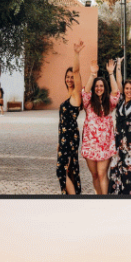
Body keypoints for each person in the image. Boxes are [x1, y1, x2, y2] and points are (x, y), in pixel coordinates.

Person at [80, 58, 120, 194]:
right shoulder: (88, 103)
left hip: (105, 146)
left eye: (101, 86)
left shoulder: (110, 103)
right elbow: (85, 92)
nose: (98, 88)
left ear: (105, 87)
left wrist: (110, 73)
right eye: (96, 86)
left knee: (102, 174)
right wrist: (92, 74)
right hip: (90, 145)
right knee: (95, 175)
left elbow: (116, 92)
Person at [108, 61, 131, 194]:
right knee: (116, 170)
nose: (129, 91)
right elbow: (118, 81)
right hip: (118, 142)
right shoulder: (121, 100)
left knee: (130, 172)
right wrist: (118, 66)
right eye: (126, 88)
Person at [56, 40, 85, 194]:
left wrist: (76, 54)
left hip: (70, 137)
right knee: (68, 169)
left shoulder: (76, 94)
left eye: (71, 77)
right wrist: (59, 143)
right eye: (67, 77)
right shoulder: (68, 95)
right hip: (64, 138)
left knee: (62, 170)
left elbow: (77, 71)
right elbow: (62, 122)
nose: (69, 79)